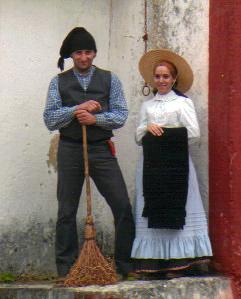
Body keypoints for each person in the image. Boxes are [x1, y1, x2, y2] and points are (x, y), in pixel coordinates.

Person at [43, 27, 135, 278]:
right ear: (71, 55)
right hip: (70, 148)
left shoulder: (110, 79)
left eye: (88, 52)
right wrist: (76, 109)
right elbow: (50, 119)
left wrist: (96, 121)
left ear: (94, 53)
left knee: (123, 206)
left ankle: (125, 266)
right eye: (78, 53)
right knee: (66, 210)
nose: (83, 57)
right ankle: (67, 268)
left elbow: (120, 115)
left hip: (101, 149)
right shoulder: (58, 82)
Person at [131, 49, 212, 278]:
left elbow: (194, 133)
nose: (162, 81)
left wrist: (166, 134)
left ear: (174, 79)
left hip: (176, 166)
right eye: (157, 76)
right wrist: (147, 128)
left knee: (181, 207)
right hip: (151, 166)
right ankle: (154, 261)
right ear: (152, 79)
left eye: (166, 77)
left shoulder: (182, 103)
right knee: (151, 205)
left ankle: (180, 260)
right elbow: (137, 137)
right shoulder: (147, 106)